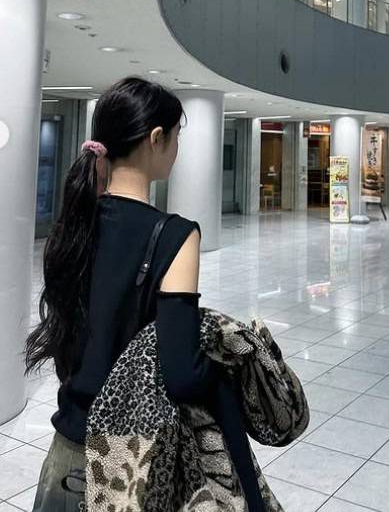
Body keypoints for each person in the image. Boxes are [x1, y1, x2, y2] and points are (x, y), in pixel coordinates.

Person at [26, 77, 265, 512]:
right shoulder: (176, 236)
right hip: (128, 465)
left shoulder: (74, 223)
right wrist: (227, 367)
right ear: (156, 139)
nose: (176, 149)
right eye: (176, 137)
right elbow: (182, 373)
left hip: (65, 451)